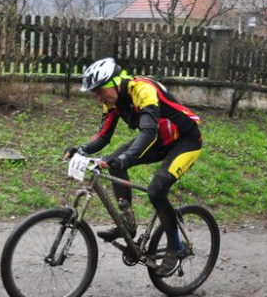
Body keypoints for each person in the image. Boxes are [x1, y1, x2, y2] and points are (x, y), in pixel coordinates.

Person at [65, 57, 202, 277]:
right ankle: (127, 225)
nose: (99, 97)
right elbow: (103, 136)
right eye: (95, 94)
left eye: (101, 91)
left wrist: (127, 158)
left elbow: (148, 131)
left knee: (156, 190)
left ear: (117, 82)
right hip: (158, 142)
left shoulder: (143, 89)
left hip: (185, 141)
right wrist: (81, 149)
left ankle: (176, 248)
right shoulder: (111, 100)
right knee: (114, 162)